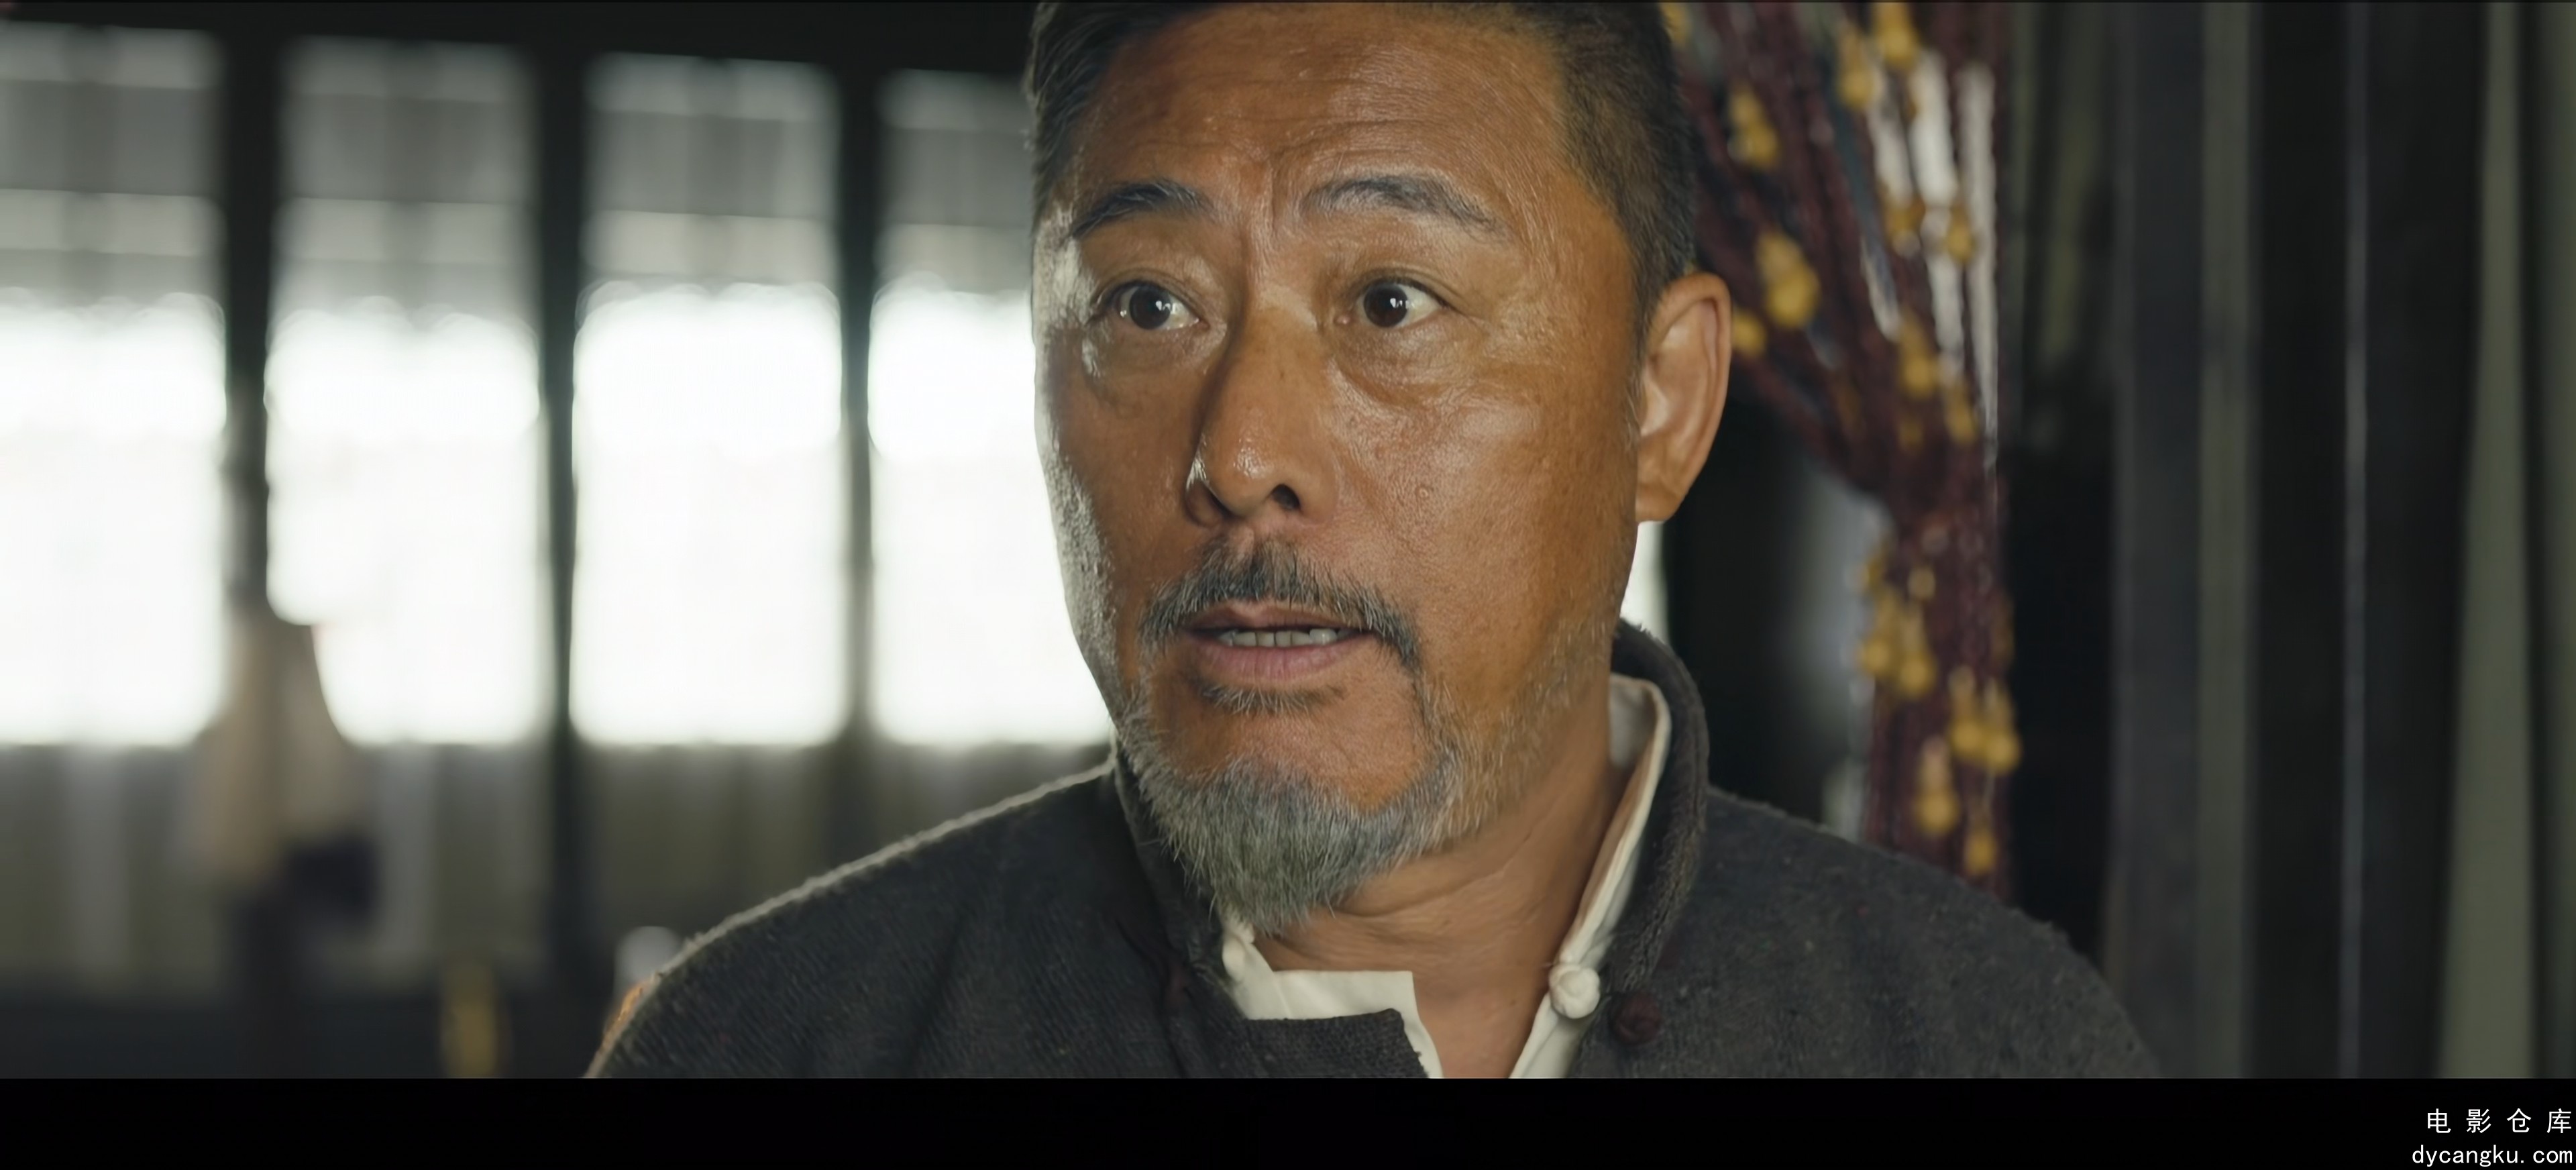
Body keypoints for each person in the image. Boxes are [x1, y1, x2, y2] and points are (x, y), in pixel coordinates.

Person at [590, 1, 2155, 1078]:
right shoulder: (774, 1041)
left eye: (1391, 303)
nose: (1241, 453)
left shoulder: (1990, 1037)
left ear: (1662, 402)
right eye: (1149, 304)